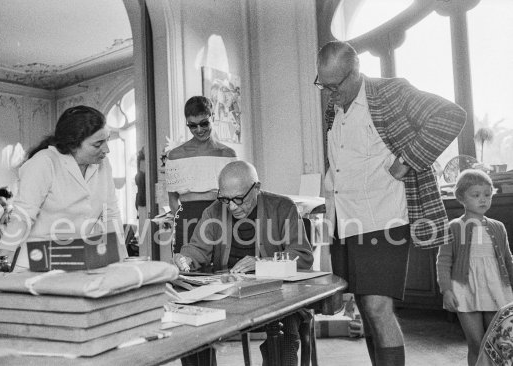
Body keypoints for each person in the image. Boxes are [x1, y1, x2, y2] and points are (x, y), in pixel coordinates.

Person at [316, 41, 466, 365]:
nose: (329, 94)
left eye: (334, 85)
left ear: (355, 72)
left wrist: (409, 159)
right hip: (343, 221)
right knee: (364, 311)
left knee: (377, 307)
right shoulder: (335, 106)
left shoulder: (390, 93)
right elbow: (342, 162)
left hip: (382, 219)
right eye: (322, 85)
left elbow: (451, 115)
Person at [174, 160, 314, 366]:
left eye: (238, 199)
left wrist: (263, 263)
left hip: (277, 295)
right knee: (188, 327)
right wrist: (184, 260)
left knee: (285, 331)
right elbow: (197, 249)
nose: (231, 206)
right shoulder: (213, 212)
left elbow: (302, 255)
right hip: (228, 295)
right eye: (224, 199)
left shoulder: (283, 208)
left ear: (256, 188)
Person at [0, 105, 127, 270]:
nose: (106, 149)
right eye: (98, 144)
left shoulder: (102, 164)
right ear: (73, 144)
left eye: (107, 140)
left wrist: (122, 262)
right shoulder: (44, 162)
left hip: (80, 260)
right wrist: (0, 265)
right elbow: (22, 217)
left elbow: (111, 214)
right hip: (37, 263)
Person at [436, 169, 513, 366]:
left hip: (496, 288)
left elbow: (507, 259)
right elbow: (443, 261)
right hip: (465, 289)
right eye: (476, 195)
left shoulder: (498, 227)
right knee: (476, 343)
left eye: (487, 195)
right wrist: (446, 290)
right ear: (461, 197)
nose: (483, 200)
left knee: (496, 342)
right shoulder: (453, 227)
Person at [165, 96, 237, 254]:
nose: (199, 130)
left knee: (222, 267)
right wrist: (184, 222)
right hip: (188, 218)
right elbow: (172, 199)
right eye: (192, 125)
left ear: (213, 117)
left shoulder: (227, 154)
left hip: (220, 215)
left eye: (204, 123)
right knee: (187, 267)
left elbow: (235, 194)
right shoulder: (175, 156)